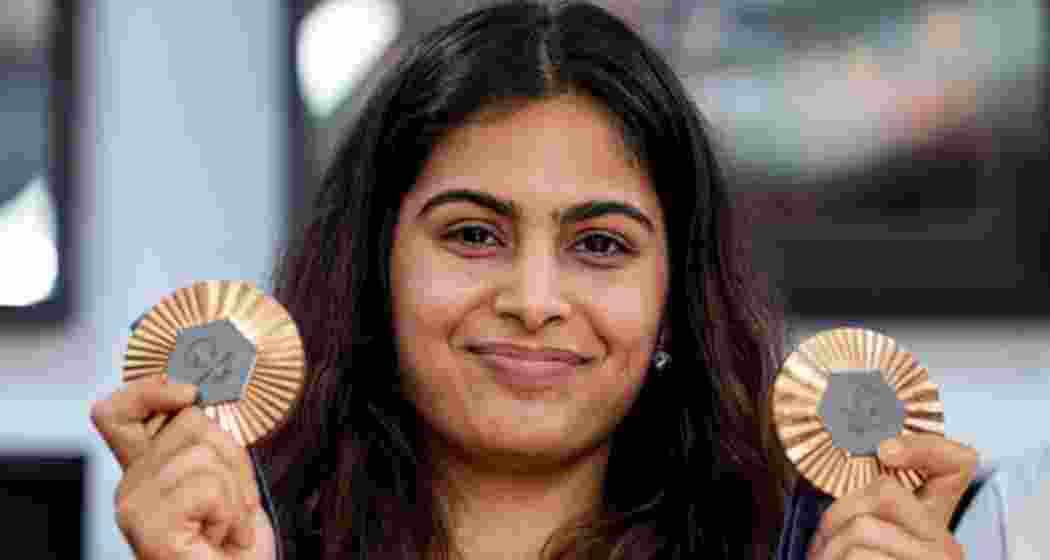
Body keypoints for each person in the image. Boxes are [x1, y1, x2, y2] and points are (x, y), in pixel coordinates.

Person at [90, 1, 979, 559]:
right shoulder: (242, 534)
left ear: (674, 304)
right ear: (375, 268)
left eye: (600, 246)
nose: (535, 299)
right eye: (474, 234)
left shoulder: (807, 542)